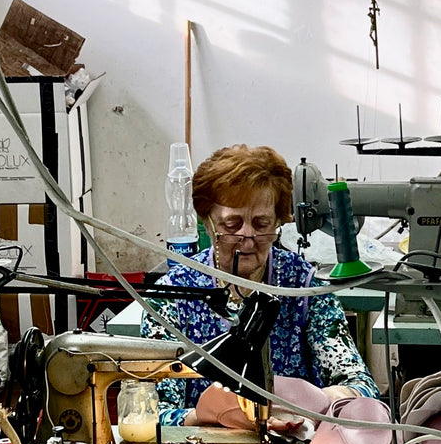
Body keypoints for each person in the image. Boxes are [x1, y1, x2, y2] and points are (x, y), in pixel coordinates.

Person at [141, 143, 378, 426]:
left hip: (293, 442)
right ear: (207, 223)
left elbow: (360, 385)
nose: (248, 236)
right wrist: (211, 416)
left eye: (262, 223)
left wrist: (313, 403)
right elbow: (152, 411)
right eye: (232, 224)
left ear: (279, 221)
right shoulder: (173, 297)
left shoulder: (302, 287)